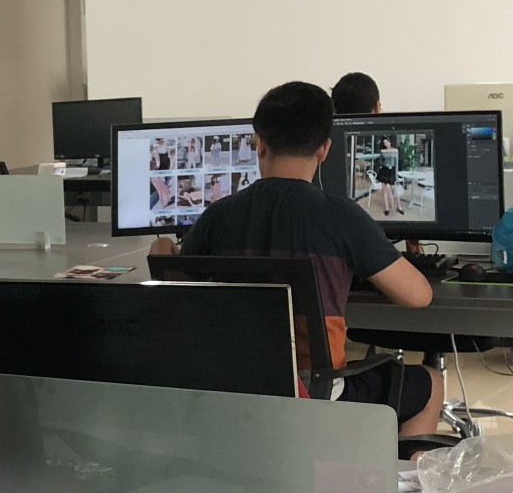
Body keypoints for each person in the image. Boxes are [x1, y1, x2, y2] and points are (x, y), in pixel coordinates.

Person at [152, 82, 443, 437]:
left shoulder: (219, 215)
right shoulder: (342, 217)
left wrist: (161, 249)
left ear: (259, 143)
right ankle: (401, 472)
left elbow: (176, 290)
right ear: (324, 149)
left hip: (235, 391)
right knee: (430, 383)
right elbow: (417, 296)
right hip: (315, 393)